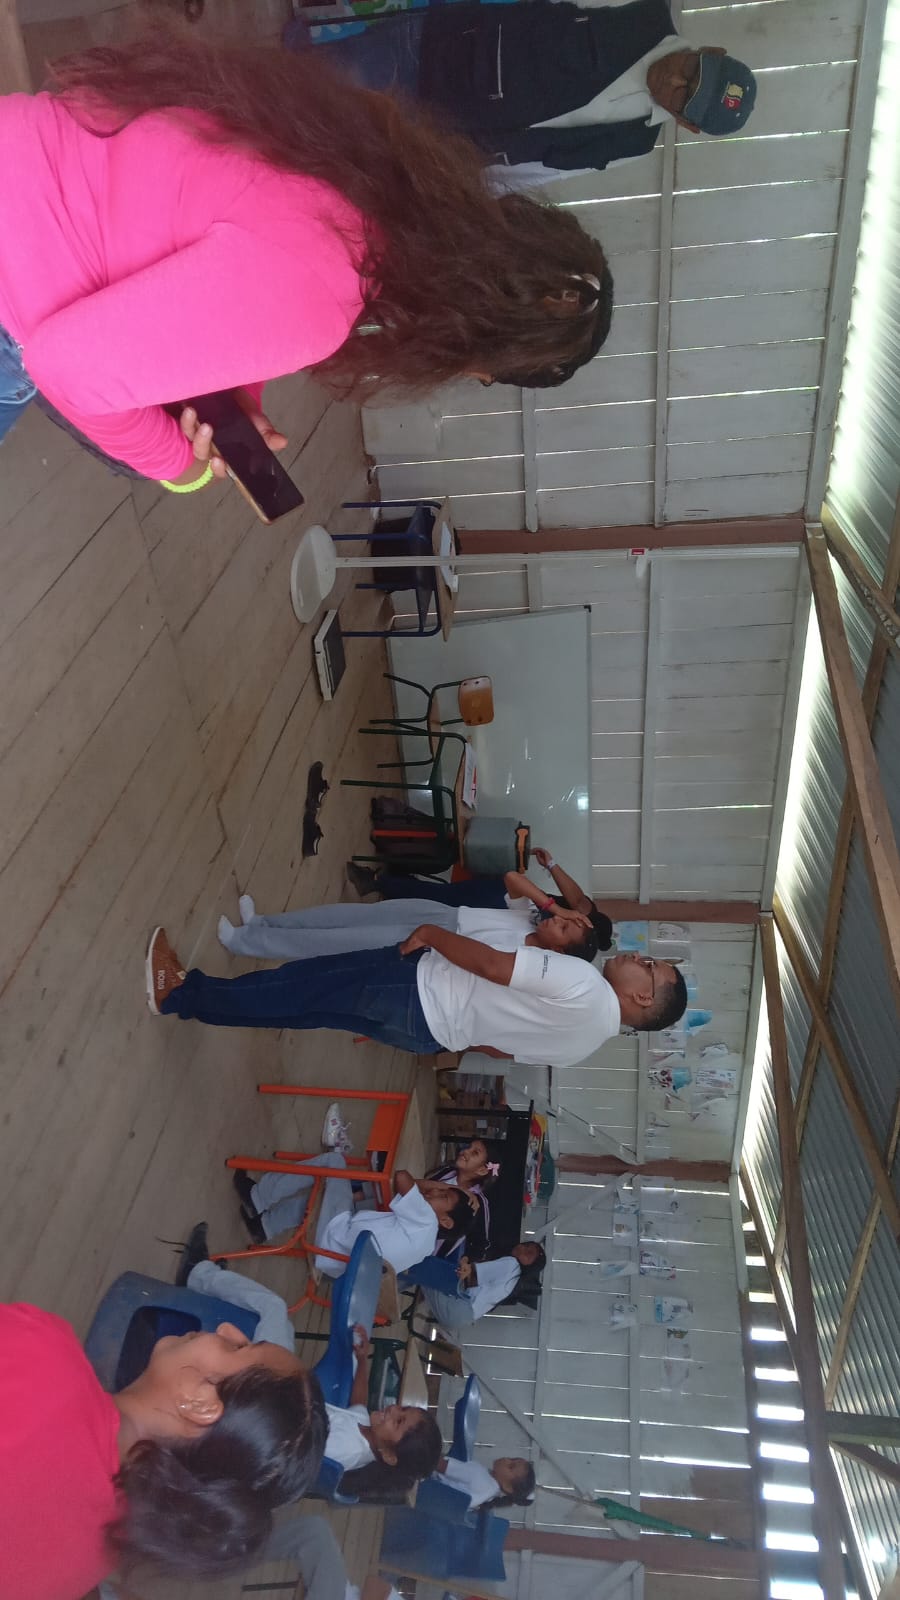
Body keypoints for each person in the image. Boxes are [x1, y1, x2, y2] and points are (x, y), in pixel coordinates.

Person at [0, 24, 613, 477]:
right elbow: (66, 369)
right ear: (480, 344)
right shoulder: (321, 301)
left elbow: (223, 236)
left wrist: (237, 391)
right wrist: (177, 463)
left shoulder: (361, 151)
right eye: (485, 378)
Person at [0, 1295, 327, 1599]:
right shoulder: (105, 1550)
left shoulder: (40, 1359)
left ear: (199, 1403)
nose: (227, 1329)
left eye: (238, 1348)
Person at [296, 0, 756, 186]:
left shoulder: (634, 142)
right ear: (710, 49)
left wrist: (467, 180)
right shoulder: (638, 9)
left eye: (685, 97)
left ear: (687, 124)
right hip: (436, 53)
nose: (674, 82)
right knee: (307, 80)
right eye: (691, 71)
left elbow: (541, 170)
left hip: (437, 135)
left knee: (314, 140)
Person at [147, 915, 685, 1068]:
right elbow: (496, 1049)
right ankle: (196, 1002)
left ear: (643, 999)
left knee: (297, 987)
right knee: (305, 1008)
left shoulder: (587, 984)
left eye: (649, 967)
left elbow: (495, 966)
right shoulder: (584, 1047)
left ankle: (181, 993)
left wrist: (431, 934)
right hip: (428, 1033)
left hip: (416, 987)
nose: (638, 958)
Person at [216, 875, 598, 961]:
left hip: (429, 944)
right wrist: (556, 907)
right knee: (344, 917)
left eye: (563, 928)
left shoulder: (526, 961)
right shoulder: (530, 917)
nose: (556, 921)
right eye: (563, 919)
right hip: (441, 914)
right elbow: (513, 878)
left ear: (560, 950)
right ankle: (262, 923)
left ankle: (242, 943)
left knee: (333, 942)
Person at [233, 1158, 475, 1273]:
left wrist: (439, 1184)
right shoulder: (425, 1247)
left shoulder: (427, 1220)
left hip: (335, 1237)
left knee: (334, 1162)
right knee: (323, 1200)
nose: (435, 1192)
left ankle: (258, 1197)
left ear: (446, 1221)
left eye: (443, 1196)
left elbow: (401, 1177)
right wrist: (442, 1191)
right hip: (336, 1261)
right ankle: (264, 1226)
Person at [344, 852, 614, 952]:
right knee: (435, 900)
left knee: (438, 898)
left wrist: (552, 868)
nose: (565, 922)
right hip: (507, 904)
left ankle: (379, 883)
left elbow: (578, 901)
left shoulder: (575, 917)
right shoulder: (548, 923)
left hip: (494, 905)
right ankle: (385, 884)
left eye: (568, 927)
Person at [402, 1241, 546, 1331]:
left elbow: (474, 1271)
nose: (523, 1249)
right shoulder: (513, 1281)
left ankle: (392, 1265)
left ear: (530, 1267)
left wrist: (465, 1263)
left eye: (529, 1254)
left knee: (426, 1268)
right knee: (426, 1279)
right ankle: (393, 1280)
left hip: (458, 1308)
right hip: (461, 1317)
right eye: (526, 1245)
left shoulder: (512, 1264)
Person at [426, 1138, 499, 1261]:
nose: (465, 1151)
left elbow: (480, 1243)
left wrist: (466, 1260)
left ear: (482, 1170)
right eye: (469, 1147)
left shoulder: (477, 1203)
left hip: (428, 1251)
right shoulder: (447, 1172)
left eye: (474, 1153)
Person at [438, 1453, 536, 1511]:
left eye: (510, 1466)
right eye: (512, 1459)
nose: (506, 1460)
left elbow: (437, 1464)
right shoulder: (490, 1493)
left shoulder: (478, 1476)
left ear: (507, 1487)